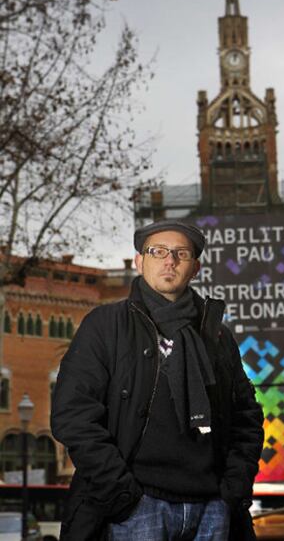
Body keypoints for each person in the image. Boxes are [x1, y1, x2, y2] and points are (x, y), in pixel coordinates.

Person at [51, 219, 264, 541]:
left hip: (212, 507)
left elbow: (246, 417)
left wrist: (232, 490)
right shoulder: (106, 325)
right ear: (139, 261)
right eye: (158, 251)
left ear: (195, 268)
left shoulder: (216, 335)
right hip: (136, 507)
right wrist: (122, 494)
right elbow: (73, 415)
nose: (170, 260)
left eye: (181, 253)